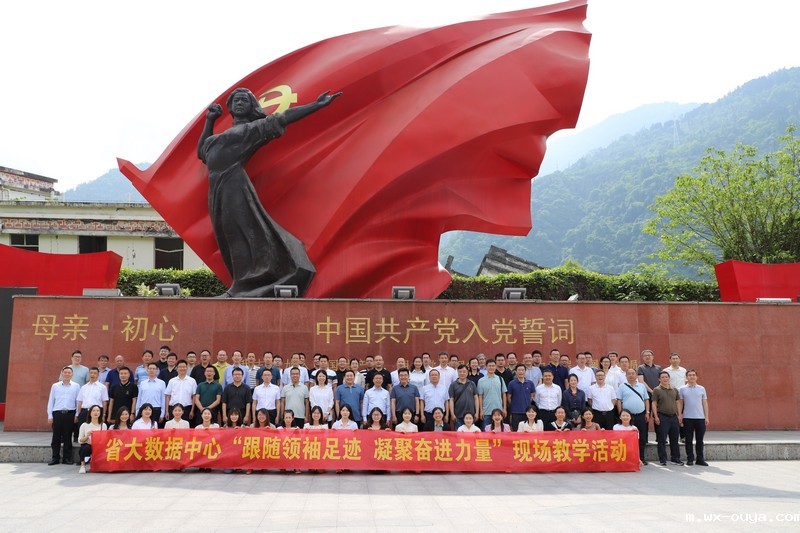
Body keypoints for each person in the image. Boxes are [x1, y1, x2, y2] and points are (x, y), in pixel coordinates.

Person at [197, 87, 340, 297]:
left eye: (244, 100)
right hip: (216, 190)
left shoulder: (253, 129)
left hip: (234, 185)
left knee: (239, 234)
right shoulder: (218, 137)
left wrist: (316, 105)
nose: (239, 102)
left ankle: (242, 284)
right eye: (236, 100)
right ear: (230, 107)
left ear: (252, 106)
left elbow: (283, 117)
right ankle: (242, 283)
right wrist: (210, 120)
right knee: (226, 236)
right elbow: (202, 151)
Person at [47, 366, 80, 466]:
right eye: (65, 372)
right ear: (61, 374)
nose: (67, 374)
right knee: (56, 437)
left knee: (67, 436)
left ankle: (67, 458)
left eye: (69, 372)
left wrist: (77, 414)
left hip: (70, 413)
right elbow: (51, 401)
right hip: (57, 413)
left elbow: (78, 401)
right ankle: (55, 458)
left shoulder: (76, 386)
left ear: (72, 374)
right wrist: (50, 415)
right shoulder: (55, 386)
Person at [617, 367, 650, 465]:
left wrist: (647, 412)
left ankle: (641, 458)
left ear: (636, 375)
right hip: (627, 418)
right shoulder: (622, 386)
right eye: (629, 374)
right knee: (627, 439)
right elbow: (619, 401)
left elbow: (646, 400)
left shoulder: (641, 386)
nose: (631, 375)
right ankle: (629, 458)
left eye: (633, 373)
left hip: (641, 415)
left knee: (641, 437)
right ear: (626, 376)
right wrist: (620, 414)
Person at [651, 371, 683, 466]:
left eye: (666, 377)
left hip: (674, 417)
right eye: (663, 377)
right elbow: (654, 403)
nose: (665, 379)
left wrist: (679, 415)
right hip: (662, 417)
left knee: (674, 439)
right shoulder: (656, 390)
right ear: (659, 379)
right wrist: (656, 416)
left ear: (669, 378)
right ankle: (662, 459)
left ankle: (675, 458)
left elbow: (678, 402)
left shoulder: (674, 389)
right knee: (662, 439)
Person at [679, 369, 709, 466]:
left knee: (700, 440)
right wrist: (680, 415)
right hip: (687, 418)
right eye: (689, 375)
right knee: (688, 440)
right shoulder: (682, 389)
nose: (692, 377)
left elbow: (704, 403)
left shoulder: (701, 388)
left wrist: (706, 417)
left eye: (693, 375)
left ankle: (700, 459)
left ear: (696, 377)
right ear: (686, 377)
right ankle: (690, 459)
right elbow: (680, 403)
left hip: (700, 418)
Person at [165, 359, 197, 425]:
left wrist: (192, 411)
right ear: (177, 368)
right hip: (173, 409)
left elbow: (194, 396)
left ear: (187, 368)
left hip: (187, 409)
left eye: (184, 367)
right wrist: (167, 411)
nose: (182, 368)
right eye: (180, 367)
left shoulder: (192, 381)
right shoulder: (172, 381)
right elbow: (168, 396)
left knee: (186, 427)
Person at [477, 359, 507, 429]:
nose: (491, 367)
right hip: (486, 411)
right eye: (489, 366)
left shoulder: (500, 379)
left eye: (493, 366)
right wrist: (481, 411)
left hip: (498, 411)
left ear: (495, 367)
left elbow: (504, 394)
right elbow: (480, 396)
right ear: (486, 367)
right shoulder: (481, 381)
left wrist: (504, 408)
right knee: (486, 431)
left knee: (499, 431)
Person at [77, 404, 106, 473]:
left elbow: (105, 439)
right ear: (90, 413)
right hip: (88, 445)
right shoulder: (84, 425)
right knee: (85, 448)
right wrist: (87, 436)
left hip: (99, 446)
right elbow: (80, 440)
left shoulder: (103, 425)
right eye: (94, 411)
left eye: (98, 411)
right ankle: (83, 465)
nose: (96, 412)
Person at [449, 364, 479, 430]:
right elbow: (451, 400)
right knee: (459, 433)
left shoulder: (472, 383)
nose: (462, 373)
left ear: (467, 372)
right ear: (457, 372)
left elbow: (476, 398)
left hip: (470, 415)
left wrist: (477, 412)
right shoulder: (453, 385)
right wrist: (452, 414)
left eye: (464, 371)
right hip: (458, 415)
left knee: (470, 434)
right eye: (460, 372)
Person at [506, 364, 536, 430]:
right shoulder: (511, 383)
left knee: (527, 430)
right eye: (519, 370)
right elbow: (509, 397)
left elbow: (532, 394)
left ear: (525, 372)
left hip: (528, 412)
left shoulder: (530, 383)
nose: (521, 372)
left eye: (522, 370)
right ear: (516, 372)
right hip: (515, 412)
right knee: (516, 430)